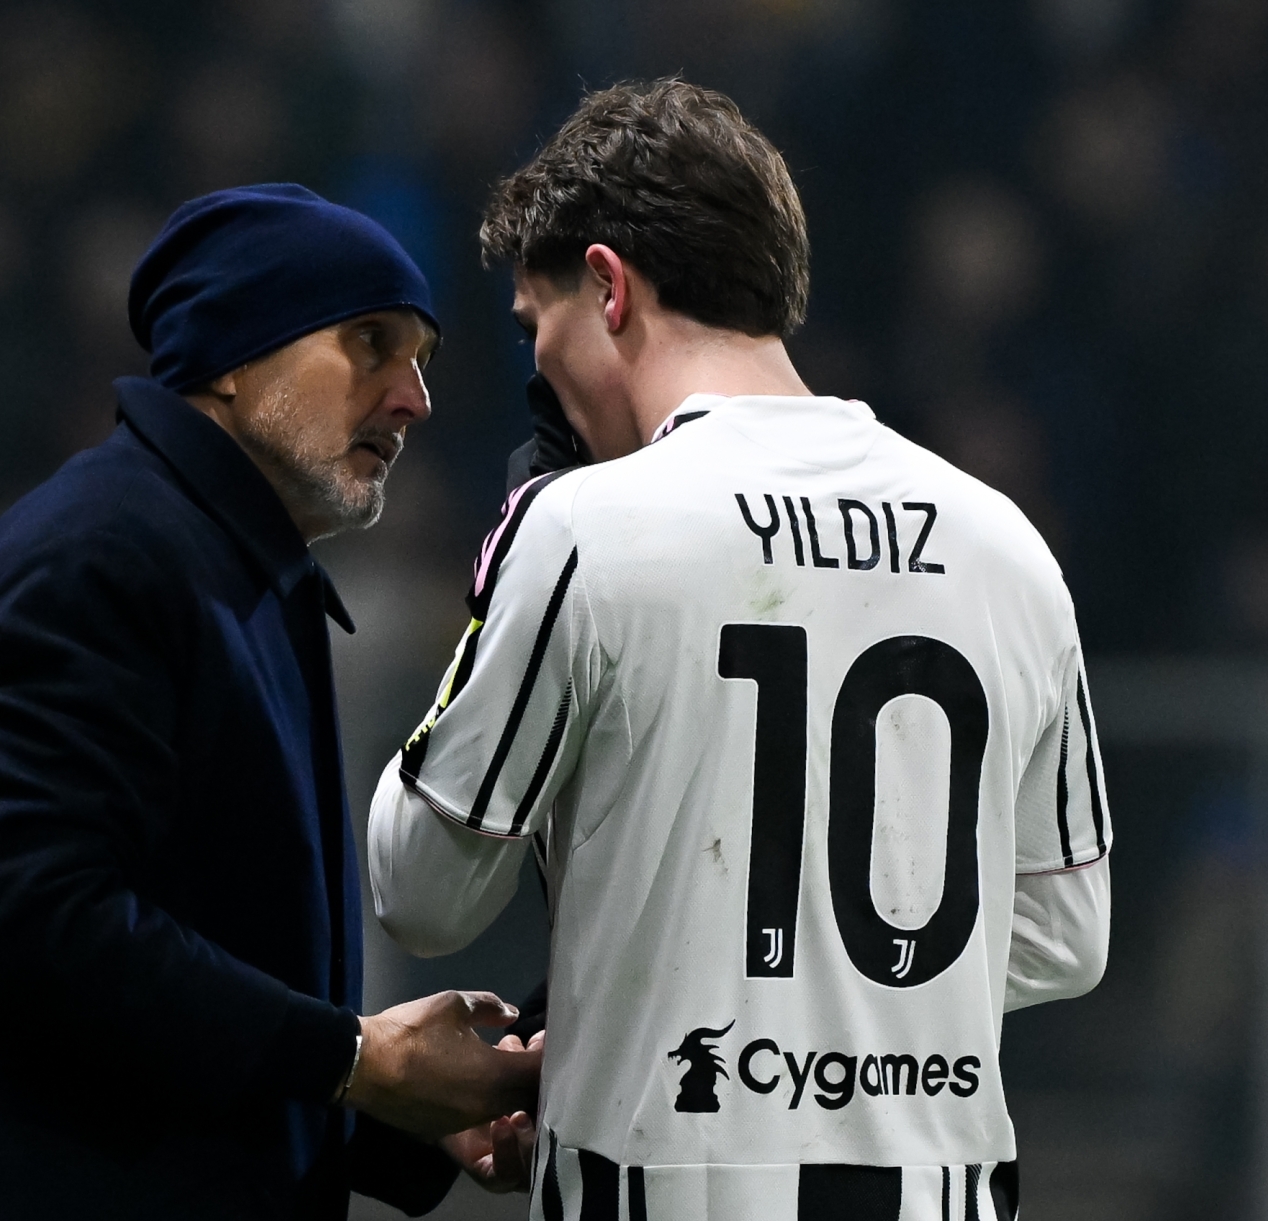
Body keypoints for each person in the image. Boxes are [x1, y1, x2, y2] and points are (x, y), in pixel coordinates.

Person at [368, 81, 1111, 1220]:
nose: (541, 374)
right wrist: (810, 1000)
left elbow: (421, 891)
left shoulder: (582, 529)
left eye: (538, 326)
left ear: (607, 287)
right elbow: (1066, 936)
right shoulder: (1004, 544)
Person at [0, 184, 540, 1221]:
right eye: (372, 343)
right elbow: (31, 912)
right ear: (233, 352)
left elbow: (183, 1000)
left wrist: (401, 1106)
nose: (413, 400)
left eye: (423, 360)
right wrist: (350, 1056)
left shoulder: (246, 574)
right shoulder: (98, 555)